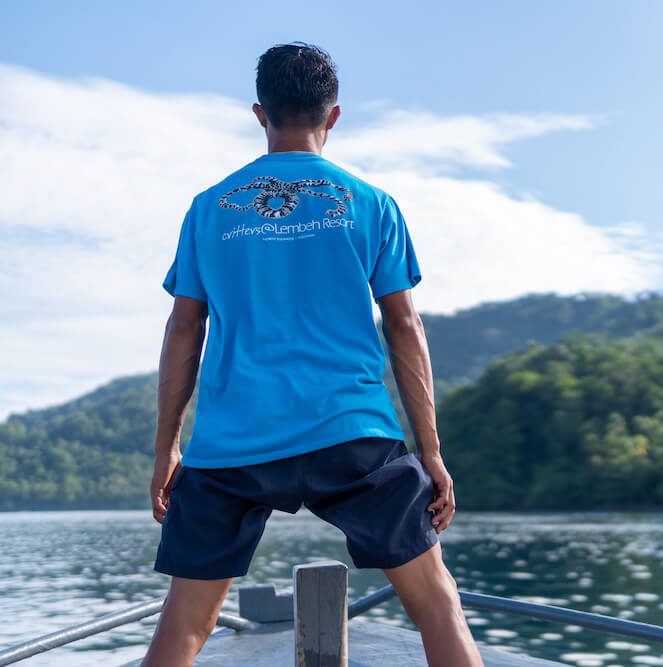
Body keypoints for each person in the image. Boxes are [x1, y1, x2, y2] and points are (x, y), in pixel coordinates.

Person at [142, 42, 483, 667]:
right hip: (351, 435)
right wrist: (430, 450)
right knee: (437, 605)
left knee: (186, 626)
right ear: (333, 116)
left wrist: (167, 445)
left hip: (231, 443)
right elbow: (404, 326)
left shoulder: (209, 208)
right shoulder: (372, 203)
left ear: (259, 113)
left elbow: (184, 329)